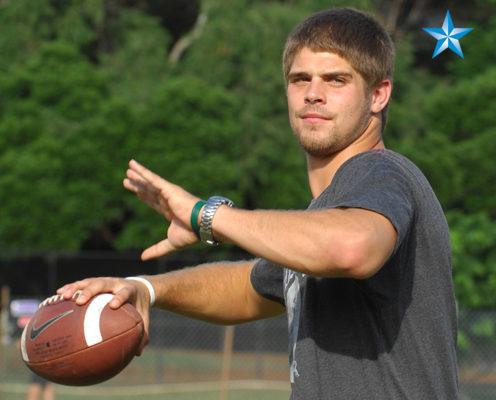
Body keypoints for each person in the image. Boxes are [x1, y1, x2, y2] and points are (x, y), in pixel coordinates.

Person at [58, 7, 459, 399]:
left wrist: (206, 215)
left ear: (378, 94)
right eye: (300, 79)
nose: (313, 94)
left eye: (336, 80)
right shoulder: (324, 217)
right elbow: (249, 286)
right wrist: (147, 289)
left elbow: (352, 248)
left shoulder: (381, 174)